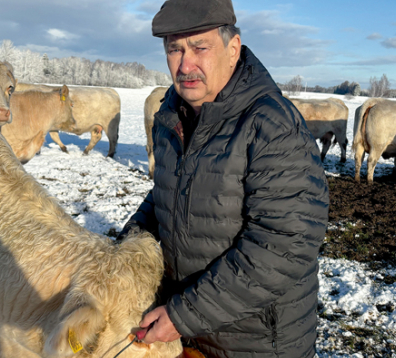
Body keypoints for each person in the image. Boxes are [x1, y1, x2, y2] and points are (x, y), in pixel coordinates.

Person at [118, 0, 329, 357]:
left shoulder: (271, 126)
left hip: (255, 342)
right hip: (189, 334)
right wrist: (124, 250)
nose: (186, 65)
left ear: (233, 49)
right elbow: (166, 195)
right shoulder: (172, 114)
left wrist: (184, 314)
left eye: (200, 48)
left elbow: (282, 244)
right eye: (175, 49)